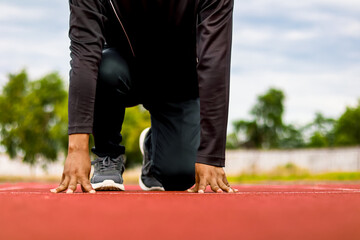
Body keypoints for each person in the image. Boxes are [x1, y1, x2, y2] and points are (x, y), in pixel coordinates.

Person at [51, 0, 236, 194]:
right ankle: (108, 154)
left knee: (181, 176)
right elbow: (84, 55)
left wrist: (211, 156)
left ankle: (153, 147)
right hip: (124, 69)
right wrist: (77, 149)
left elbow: (214, 61)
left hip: (178, 82)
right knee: (102, 67)